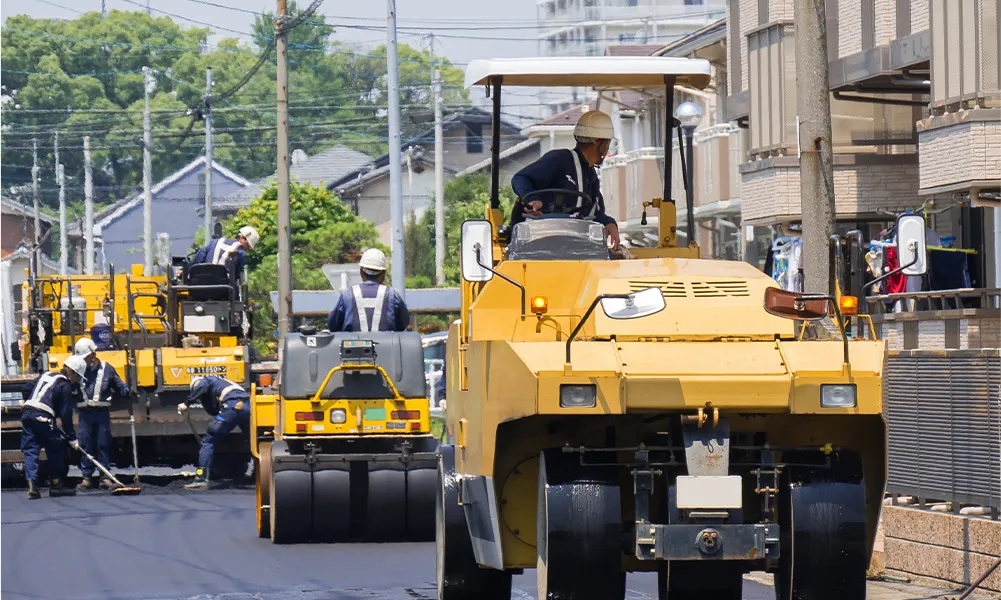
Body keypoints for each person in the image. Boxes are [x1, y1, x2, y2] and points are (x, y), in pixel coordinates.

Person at [509, 110, 620, 251]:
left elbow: (595, 214)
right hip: (538, 244)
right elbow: (520, 178)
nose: (607, 150)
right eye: (607, 144)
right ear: (599, 142)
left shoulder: (590, 175)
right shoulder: (559, 160)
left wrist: (609, 223)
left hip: (573, 246)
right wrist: (532, 199)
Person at [20, 355, 86, 499]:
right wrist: (72, 438)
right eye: (78, 377)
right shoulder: (65, 385)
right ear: (72, 372)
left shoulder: (46, 375)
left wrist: (28, 402)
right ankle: (56, 484)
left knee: (31, 450)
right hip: (43, 416)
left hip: (27, 413)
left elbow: (26, 388)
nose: (78, 380)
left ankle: (32, 485)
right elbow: (66, 414)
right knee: (56, 447)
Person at [73, 338, 131, 491]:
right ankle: (86, 477)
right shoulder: (77, 369)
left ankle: (104, 477)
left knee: (103, 443)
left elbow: (119, 384)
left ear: (93, 355)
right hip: (85, 414)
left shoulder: (107, 369)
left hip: (101, 413)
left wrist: (127, 392)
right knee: (85, 444)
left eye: (85, 357)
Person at [177, 375, 250, 490]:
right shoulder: (226, 383)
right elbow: (213, 409)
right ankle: (259, 473)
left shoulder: (206, 380)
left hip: (232, 407)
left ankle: (201, 479)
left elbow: (202, 386)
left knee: (208, 441)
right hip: (247, 407)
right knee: (252, 439)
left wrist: (187, 403)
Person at [326, 248, 410, 332]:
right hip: (387, 345)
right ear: (383, 273)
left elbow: (333, 325)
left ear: (361, 272)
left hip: (353, 344)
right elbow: (403, 323)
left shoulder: (348, 294)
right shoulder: (392, 294)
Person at [190, 225, 260, 282]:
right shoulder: (241, 254)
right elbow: (237, 276)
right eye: (248, 247)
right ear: (243, 238)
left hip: (201, 285)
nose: (247, 249)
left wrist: (188, 268)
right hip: (224, 291)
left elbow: (199, 258)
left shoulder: (215, 242)